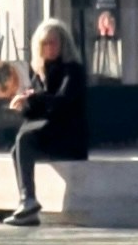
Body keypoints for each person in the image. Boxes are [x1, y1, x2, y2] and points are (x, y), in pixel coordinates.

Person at [7, 17, 89, 226]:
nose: (49, 48)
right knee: (17, 147)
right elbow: (35, 112)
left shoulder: (72, 70)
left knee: (24, 140)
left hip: (68, 137)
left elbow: (62, 102)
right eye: (45, 44)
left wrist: (34, 98)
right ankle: (28, 204)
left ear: (63, 44)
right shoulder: (40, 73)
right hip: (49, 134)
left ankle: (28, 200)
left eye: (53, 43)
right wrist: (24, 104)